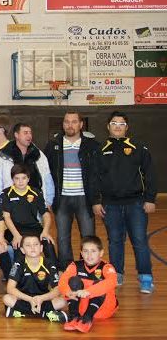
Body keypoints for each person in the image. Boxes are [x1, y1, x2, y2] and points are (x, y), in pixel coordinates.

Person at [91, 111, 157, 293]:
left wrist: (150, 199)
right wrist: (96, 201)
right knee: (115, 241)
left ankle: (145, 278)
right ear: (108, 126)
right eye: (114, 123)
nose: (117, 126)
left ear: (127, 127)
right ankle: (116, 274)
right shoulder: (100, 149)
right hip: (110, 205)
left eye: (121, 124)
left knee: (140, 241)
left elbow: (150, 174)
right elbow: (94, 178)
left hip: (136, 203)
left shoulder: (139, 147)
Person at [43, 111, 99, 270]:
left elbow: (98, 174)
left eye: (74, 122)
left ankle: (87, 267)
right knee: (62, 238)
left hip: (84, 198)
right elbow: (46, 173)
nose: (70, 125)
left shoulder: (92, 145)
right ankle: (66, 268)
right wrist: (48, 198)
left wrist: (97, 199)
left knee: (88, 237)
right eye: (67, 121)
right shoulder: (53, 145)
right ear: (63, 124)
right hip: (62, 199)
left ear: (81, 124)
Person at [0, 164, 58, 266]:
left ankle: (54, 275)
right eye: (17, 178)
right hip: (14, 230)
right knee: (19, 248)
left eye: (23, 178)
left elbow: (46, 214)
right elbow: (6, 216)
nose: (20, 181)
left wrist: (45, 231)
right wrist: (16, 235)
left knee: (48, 244)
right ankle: (19, 276)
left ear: (28, 179)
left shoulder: (36, 192)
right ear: (12, 179)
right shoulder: (6, 193)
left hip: (34, 228)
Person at [59, 235, 118, 333]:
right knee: (73, 280)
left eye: (93, 251)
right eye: (85, 251)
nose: (89, 255)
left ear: (101, 253)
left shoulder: (106, 267)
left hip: (103, 310)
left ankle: (87, 319)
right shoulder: (75, 265)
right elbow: (63, 280)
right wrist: (67, 291)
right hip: (82, 308)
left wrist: (89, 291)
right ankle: (74, 316)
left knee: (101, 284)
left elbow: (111, 282)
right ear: (81, 253)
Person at [3, 235, 67, 322]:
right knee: (7, 298)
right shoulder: (18, 264)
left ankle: (22, 312)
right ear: (22, 250)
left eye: (36, 244)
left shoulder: (49, 264)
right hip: (24, 299)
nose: (32, 247)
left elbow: (57, 289)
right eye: (28, 245)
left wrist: (41, 298)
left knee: (63, 301)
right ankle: (46, 314)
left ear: (41, 248)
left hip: (42, 299)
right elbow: (10, 288)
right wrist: (30, 299)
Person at [0, 122, 54, 208]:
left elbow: (47, 179)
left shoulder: (39, 155)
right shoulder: (3, 156)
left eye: (30, 133)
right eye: (25, 133)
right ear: (16, 135)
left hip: (35, 204)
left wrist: (47, 202)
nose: (29, 136)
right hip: (11, 205)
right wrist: (1, 203)